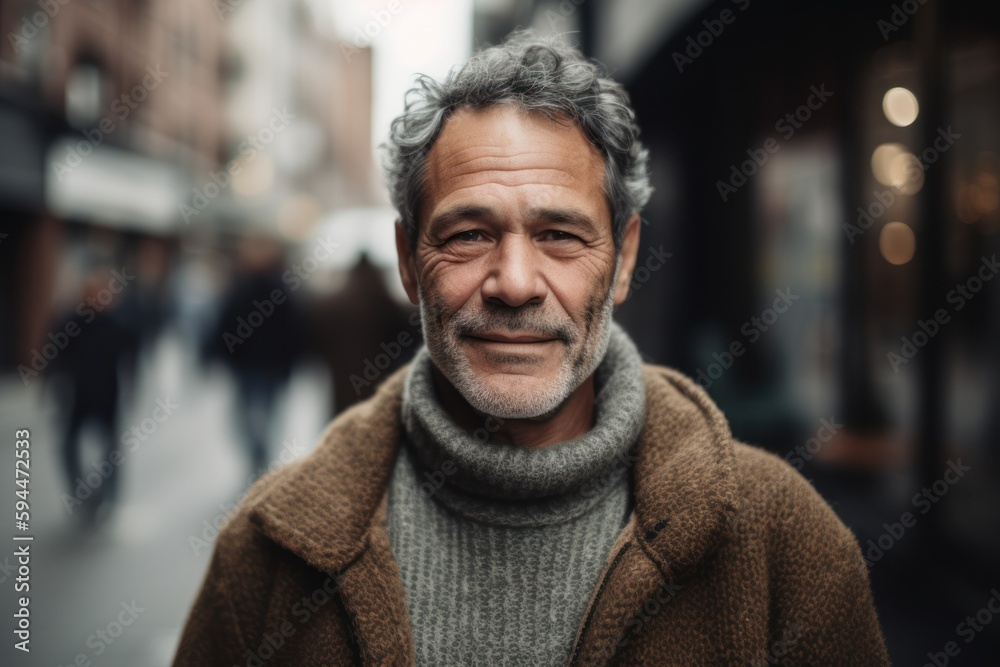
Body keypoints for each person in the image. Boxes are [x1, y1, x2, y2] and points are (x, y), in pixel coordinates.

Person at [174, 31, 889, 666]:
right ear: (405, 259)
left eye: (559, 235)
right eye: (468, 234)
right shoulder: (267, 554)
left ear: (625, 257)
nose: (514, 283)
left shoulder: (785, 549)